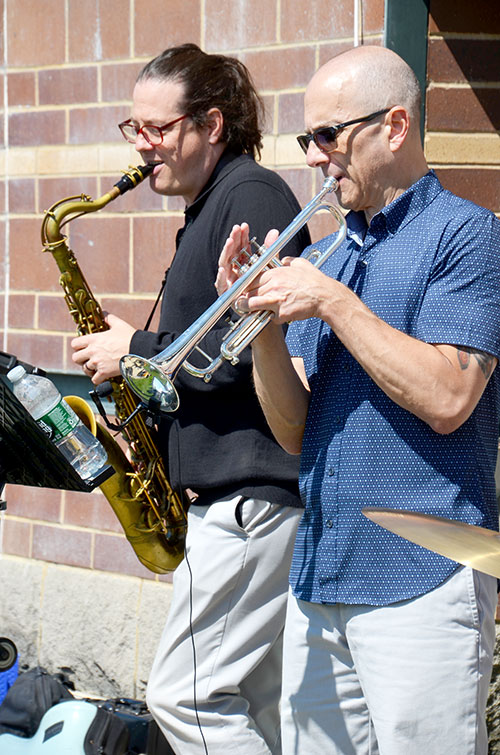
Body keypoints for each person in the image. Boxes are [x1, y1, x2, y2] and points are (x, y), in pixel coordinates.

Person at [217, 45, 500, 754]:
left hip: (424, 576)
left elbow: (450, 396)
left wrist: (333, 303)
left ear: (395, 127)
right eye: (307, 138)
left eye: (328, 135)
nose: (315, 156)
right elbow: (294, 432)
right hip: (322, 571)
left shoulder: (468, 236)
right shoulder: (329, 257)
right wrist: (263, 330)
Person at [71, 44, 310, 755]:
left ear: (211, 124)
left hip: (249, 498)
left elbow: (250, 346)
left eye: (157, 128)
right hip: (236, 502)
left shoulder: (250, 196)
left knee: (185, 698)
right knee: (259, 711)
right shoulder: (211, 205)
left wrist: (136, 350)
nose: (142, 146)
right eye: (134, 128)